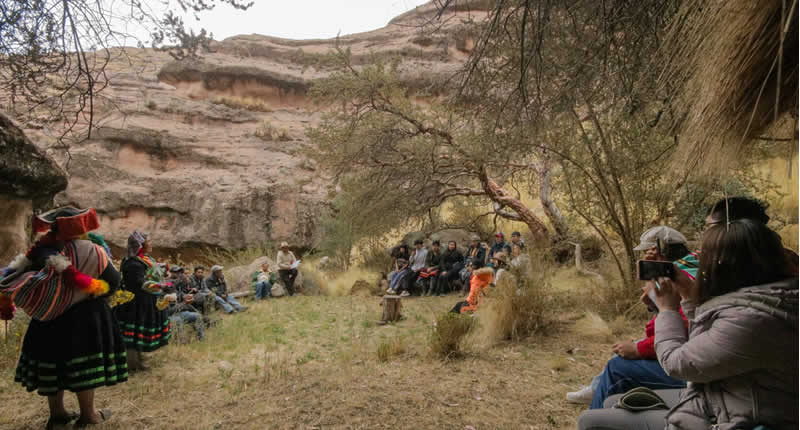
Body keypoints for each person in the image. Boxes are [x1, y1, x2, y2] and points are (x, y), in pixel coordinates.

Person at [578, 219, 798, 430]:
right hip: (732, 399)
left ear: (732, 266)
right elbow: (707, 340)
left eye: (709, 258)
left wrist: (667, 310)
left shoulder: (753, 319)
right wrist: (688, 298)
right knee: (613, 401)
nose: (702, 264)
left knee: (591, 420)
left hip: (738, 417)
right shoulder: (768, 299)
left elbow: (677, 364)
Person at [0, 207, 127, 428]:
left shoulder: (42, 251)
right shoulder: (94, 250)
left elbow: (21, 275)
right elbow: (113, 281)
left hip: (49, 317)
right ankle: (89, 416)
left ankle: (57, 414)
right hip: (86, 317)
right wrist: (89, 293)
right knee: (84, 364)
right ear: (81, 227)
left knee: (52, 361)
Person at [567, 226, 689, 408]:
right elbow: (664, 329)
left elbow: (681, 333)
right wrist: (655, 303)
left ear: (661, 251)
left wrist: (639, 349)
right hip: (684, 360)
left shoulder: (686, 281)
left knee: (617, 366)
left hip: (688, 373)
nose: (647, 257)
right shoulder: (679, 276)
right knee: (622, 356)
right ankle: (598, 388)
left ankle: (598, 398)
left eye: (650, 252)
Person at [116, 230, 171, 371]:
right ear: (140, 244)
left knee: (137, 335)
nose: (150, 243)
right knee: (132, 335)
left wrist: (163, 272)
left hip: (144, 301)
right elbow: (139, 283)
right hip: (135, 304)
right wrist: (161, 286)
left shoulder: (143, 259)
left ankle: (138, 362)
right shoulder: (132, 263)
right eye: (148, 241)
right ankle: (131, 365)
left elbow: (150, 274)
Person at [164, 267, 205, 341]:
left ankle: (201, 339)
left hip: (181, 311)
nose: (178, 274)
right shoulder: (166, 283)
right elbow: (169, 288)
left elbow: (180, 293)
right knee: (178, 320)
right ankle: (180, 341)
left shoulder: (180, 283)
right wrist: (184, 303)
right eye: (176, 272)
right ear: (170, 273)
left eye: (180, 272)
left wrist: (186, 296)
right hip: (171, 314)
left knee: (197, 315)